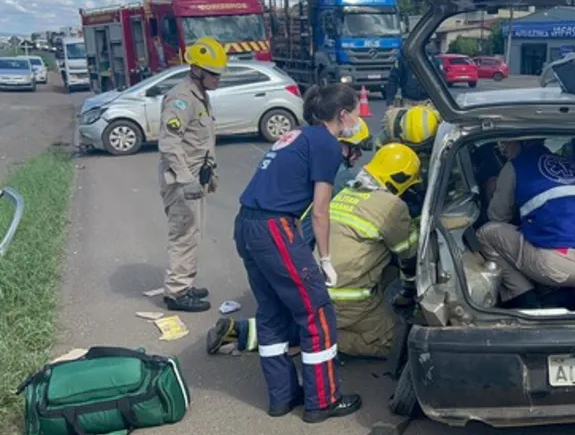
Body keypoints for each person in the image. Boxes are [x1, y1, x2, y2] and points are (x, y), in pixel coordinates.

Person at [210, 143, 422, 359]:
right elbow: (408, 253)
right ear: (400, 180)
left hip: (313, 288)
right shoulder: (392, 206)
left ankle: (244, 331)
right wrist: (409, 291)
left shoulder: (346, 193)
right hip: (347, 301)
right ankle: (315, 339)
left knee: (316, 316)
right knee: (388, 341)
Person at [234, 83, 362, 422]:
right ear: (342, 115)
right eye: (355, 113)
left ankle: (282, 398)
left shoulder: (299, 135)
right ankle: (323, 401)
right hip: (274, 228)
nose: (358, 119)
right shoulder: (327, 144)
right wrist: (326, 259)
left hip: (247, 223)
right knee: (316, 311)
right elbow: (320, 211)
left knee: (273, 312)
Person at [479, 138, 575, 309]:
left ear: (522, 143)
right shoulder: (573, 166)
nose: (503, 149)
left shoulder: (515, 166)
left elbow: (498, 216)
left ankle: (524, 298)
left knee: (486, 233)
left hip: (555, 265)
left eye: (506, 143)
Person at [157, 36, 226, 312]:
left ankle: (184, 283)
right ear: (196, 70)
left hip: (196, 178)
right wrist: (186, 180)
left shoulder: (200, 95)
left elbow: (201, 141)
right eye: (213, 74)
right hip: (181, 181)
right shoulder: (182, 100)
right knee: (184, 234)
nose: (218, 79)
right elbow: (169, 144)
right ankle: (176, 293)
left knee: (193, 234)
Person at [298, 118, 372, 245]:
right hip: (305, 242)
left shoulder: (313, 159)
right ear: (339, 143)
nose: (359, 155)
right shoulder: (341, 174)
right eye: (356, 148)